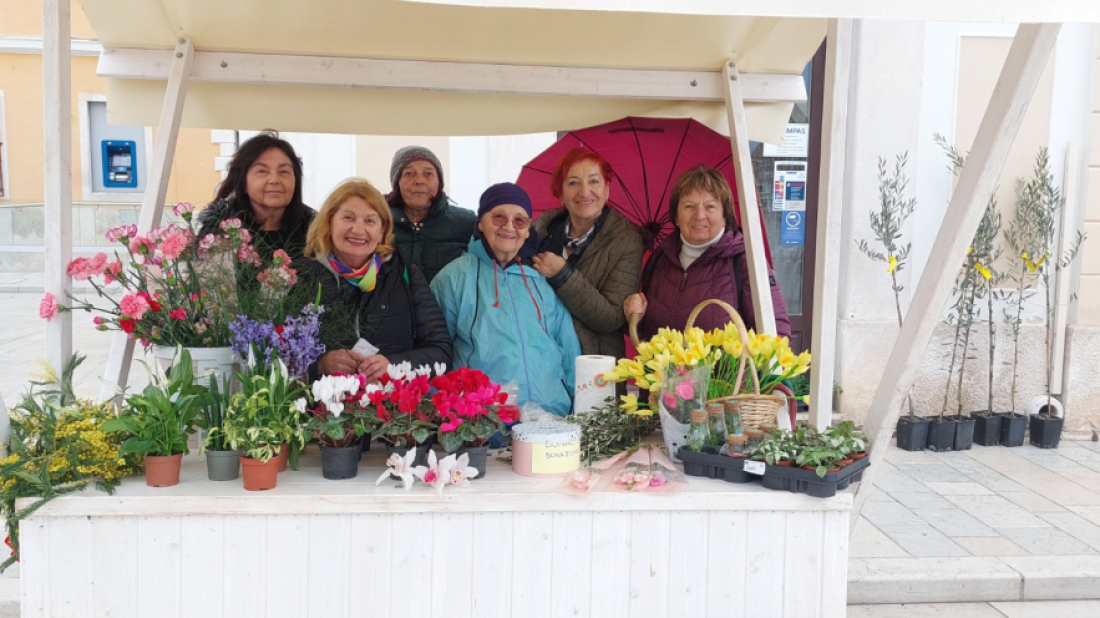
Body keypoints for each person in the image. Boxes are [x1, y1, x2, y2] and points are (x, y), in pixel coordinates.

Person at [431, 183, 581, 417]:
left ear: (528, 229)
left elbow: (568, 347)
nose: (509, 227)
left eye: (520, 220)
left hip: (550, 418)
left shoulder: (540, 280)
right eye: (499, 217)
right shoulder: (453, 278)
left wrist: (580, 405)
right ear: (481, 223)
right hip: (483, 424)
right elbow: (435, 351)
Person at [294, 178, 452, 382]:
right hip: (323, 410)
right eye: (348, 218)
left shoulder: (406, 275)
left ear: (382, 231)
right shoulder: (299, 277)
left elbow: (441, 351)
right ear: (329, 222)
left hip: (391, 409)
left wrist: (394, 366)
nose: (358, 230)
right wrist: (320, 365)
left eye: (370, 221)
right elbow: (274, 357)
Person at [624, 165, 791, 341]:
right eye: (689, 206)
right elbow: (647, 338)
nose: (699, 215)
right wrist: (635, 319)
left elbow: (776, 337)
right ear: (676, 216)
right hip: (664, 369)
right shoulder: (660, 259)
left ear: (725, 215)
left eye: (710, 207)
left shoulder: (746, 262)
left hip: (726, 370)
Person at [531, 148, 645, 359]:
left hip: (593, 365)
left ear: (607, 189)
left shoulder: (626, 240)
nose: (584, 192)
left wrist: (562, 275)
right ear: (560, 193)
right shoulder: (540, 231)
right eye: (573, 182)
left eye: (594, 181)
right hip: (541, 359)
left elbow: (611, 318)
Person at [197, 131, 315, 260]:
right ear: (243, 182)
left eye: (284, 171)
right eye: (262, 171)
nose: (274, 180)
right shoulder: (218, 231)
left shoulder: (317, 230)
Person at [387, 146, 477, 282]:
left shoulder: (466, 223)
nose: (419, 180)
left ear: (439, 182)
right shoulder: (378, 221)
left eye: (428, 174)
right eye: (409, 174)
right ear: (397, 183)